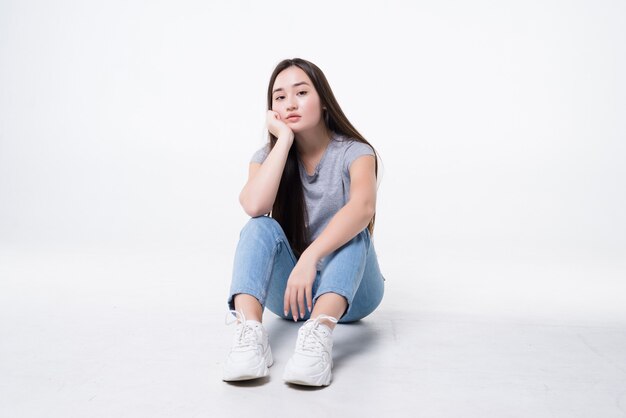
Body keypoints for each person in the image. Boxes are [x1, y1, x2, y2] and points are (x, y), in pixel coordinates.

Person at [223, 58, 385, 387]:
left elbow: (363, 208)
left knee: (354, 234)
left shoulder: (356, 152)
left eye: (301, 92)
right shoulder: (265, 158)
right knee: (258, 226)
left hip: (355, 294)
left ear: (324, 101)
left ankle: (319, 336)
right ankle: (250, 336)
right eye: (279, 97)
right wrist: (282, 141)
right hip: (293, 297)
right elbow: (254, 205)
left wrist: (310, 256)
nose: (290, 103)